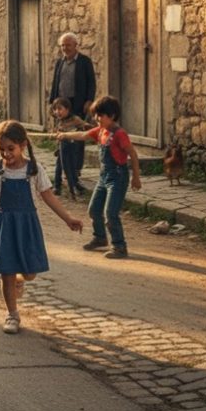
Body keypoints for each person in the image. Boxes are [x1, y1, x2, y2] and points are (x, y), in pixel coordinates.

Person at [0, 120, 83, 334]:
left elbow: (48, 196)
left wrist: (68, 219)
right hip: (4, 227)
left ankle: (20, 280)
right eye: (2, 149)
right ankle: (12, 314)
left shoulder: (34, 170)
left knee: (30, 272)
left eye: (10, 148)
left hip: (27, 227)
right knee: (7, 272)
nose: (6, 154)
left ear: (23, 145)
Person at [55, 96, 141, 259]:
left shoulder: (120, 134)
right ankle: (100, 237)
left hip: (118, 177)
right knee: (94, 210)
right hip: (103, 177)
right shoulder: (101, 131)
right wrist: (65, 135)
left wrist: (136, 177)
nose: (96, 118)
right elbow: (83, 135)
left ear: (112, 116)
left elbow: (133, 154)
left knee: (111, 214)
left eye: (100, 115)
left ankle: (119, 246)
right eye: (95, 115)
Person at [49, 32, 96, 187]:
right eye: (63, 45)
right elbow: (55, 82)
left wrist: (89, 100)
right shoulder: (60, 62)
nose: (65, 48)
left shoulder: (84, 61)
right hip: (61, 105)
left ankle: (76, 169)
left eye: (68, 45)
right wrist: (52, 103)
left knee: (78, 138)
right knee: (62, 137)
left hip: (77, 104)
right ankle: (63, 169)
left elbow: (91, 82)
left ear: (76, 45)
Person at [50, 97, 92, 197]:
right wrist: (52, 135)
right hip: (61, 148)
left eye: (60, 109)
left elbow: (84, 125)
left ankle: (75, 184)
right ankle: (57, 186)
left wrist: (88, 127)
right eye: (55, 109)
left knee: (71, 167)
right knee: (59, 167)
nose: (57, 112)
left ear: (67, 109)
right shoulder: (58, 121)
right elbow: (55, 132)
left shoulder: (75, 119)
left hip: (72, 148)